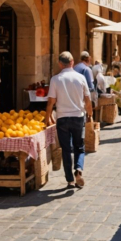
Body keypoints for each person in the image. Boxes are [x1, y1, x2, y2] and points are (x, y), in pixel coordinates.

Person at [46, 52, 93, 188]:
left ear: (60, 64)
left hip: (62, 118)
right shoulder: (81, 78)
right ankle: (78, 170)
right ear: (72, 62)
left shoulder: (55, 79)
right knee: (79, 146)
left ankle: (70, 180)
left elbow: (50, 102)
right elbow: (88, 100)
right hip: (78, 116)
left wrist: (47, 117)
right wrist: (90, 114)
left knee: (66, 149)